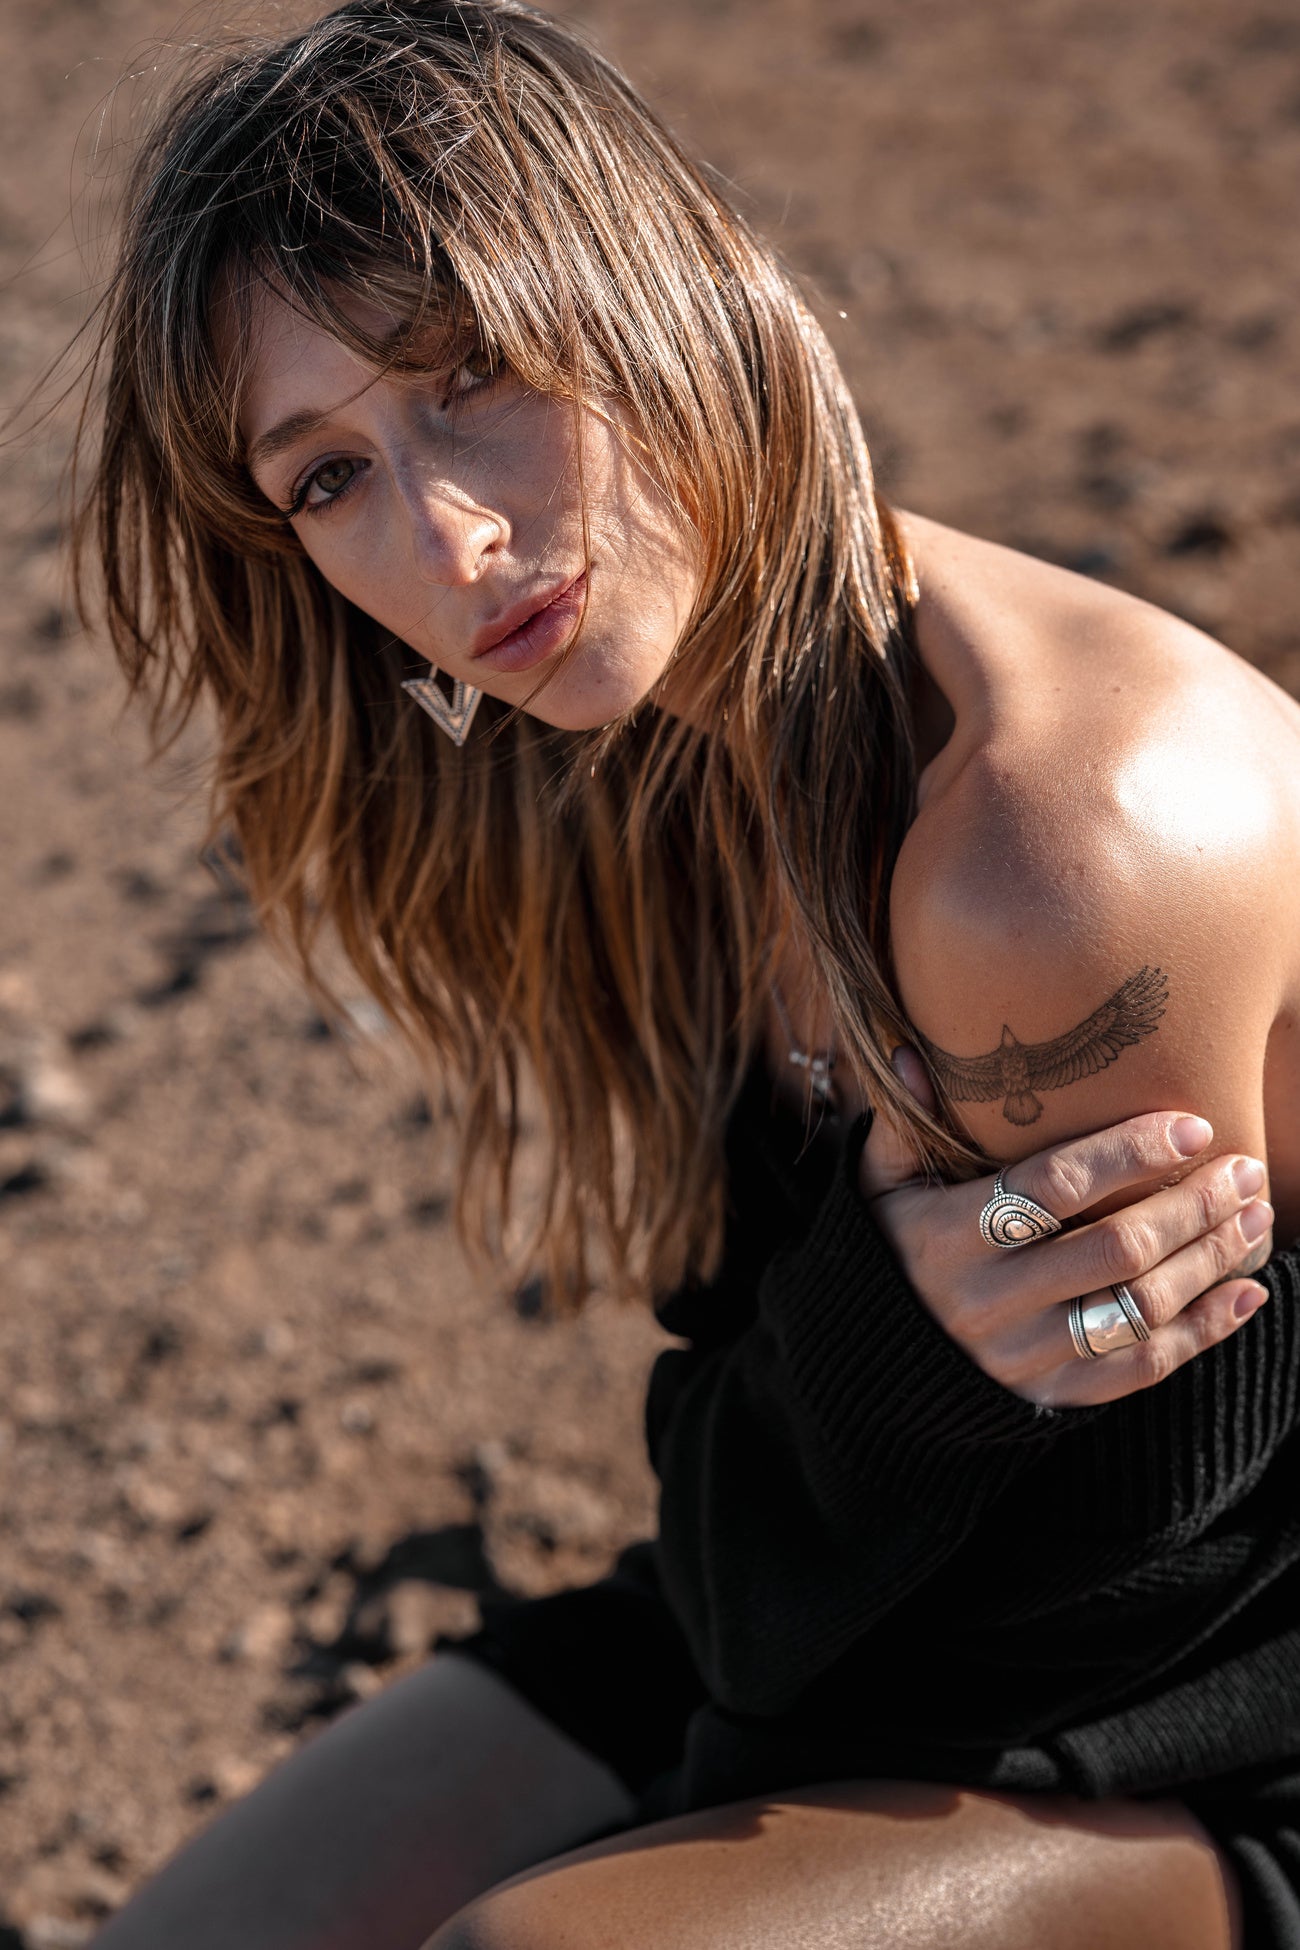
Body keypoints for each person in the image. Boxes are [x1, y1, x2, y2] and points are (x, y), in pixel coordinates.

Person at [76, 1, 1300, 1944]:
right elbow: (765, 1507)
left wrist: (856, 1378)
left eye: (474, 369)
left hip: (1187, 1723)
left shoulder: (1038, 861)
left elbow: (1068, 1598)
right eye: (324, 478)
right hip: (813, 1586)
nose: (448, 538)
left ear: (671, 278)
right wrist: (858, 1366)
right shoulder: (648, 752)